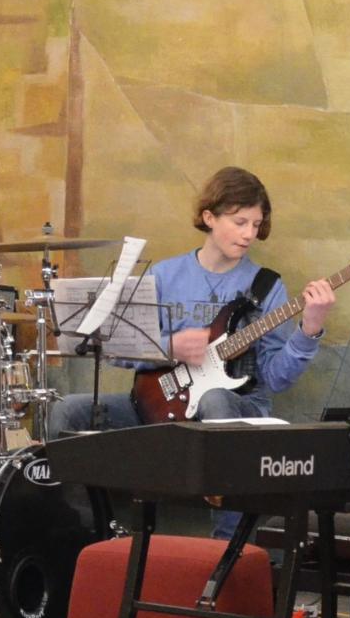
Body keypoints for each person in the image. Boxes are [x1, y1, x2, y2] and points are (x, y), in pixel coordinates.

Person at [47, 166, 335, 536]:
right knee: (66, 411)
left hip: (237, 409)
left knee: (215, 398)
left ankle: (226, 552)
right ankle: (78, 533)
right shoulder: (166, 276)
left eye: (256, 225)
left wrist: (309, 329)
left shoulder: (267, 287)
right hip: (156, 404)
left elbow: (277, 379)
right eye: (240, 221)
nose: (249, 234)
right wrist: (170, 347)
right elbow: (117, 350)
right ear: (209, 217)